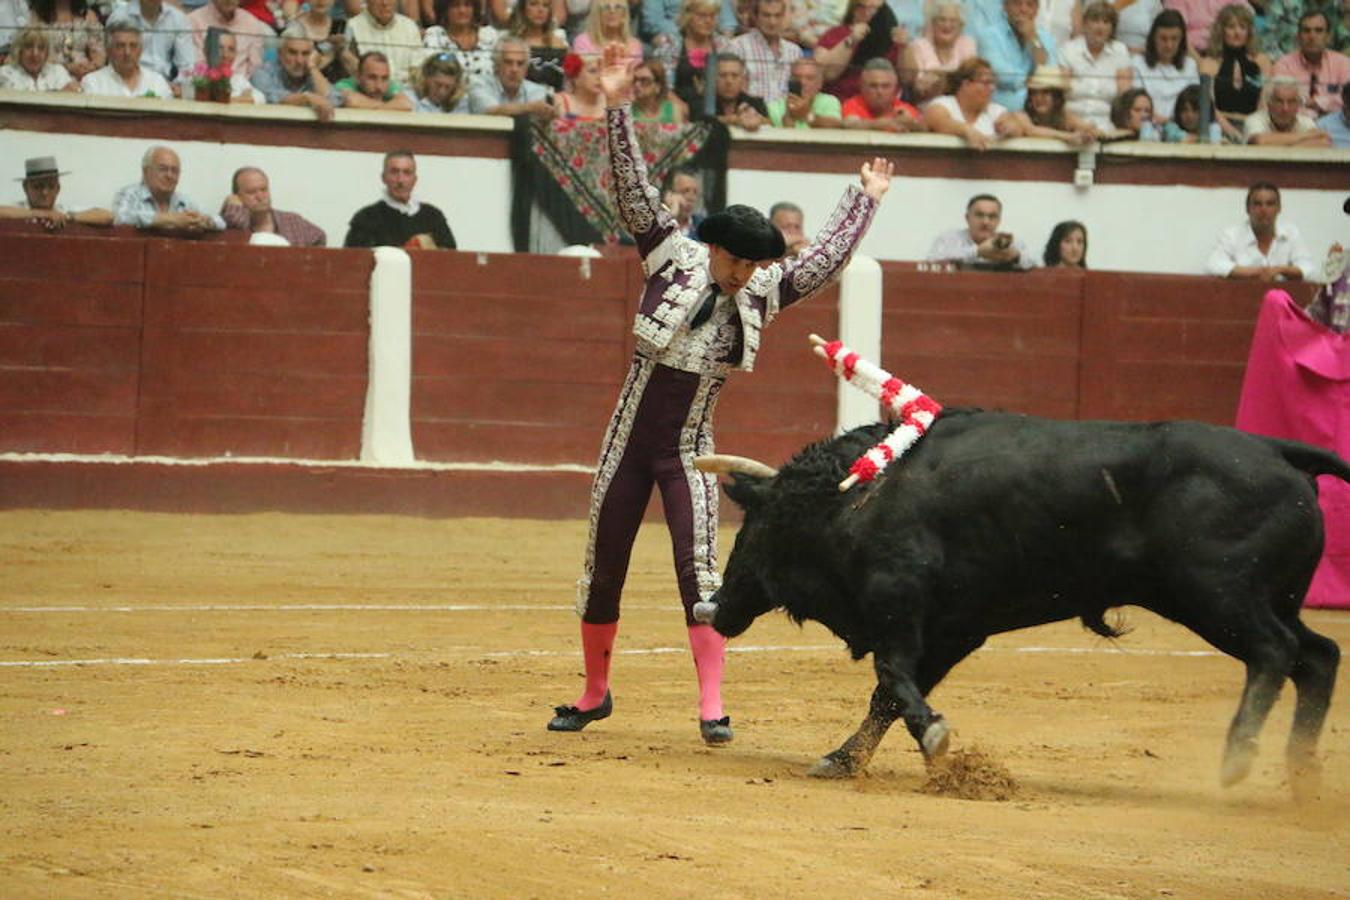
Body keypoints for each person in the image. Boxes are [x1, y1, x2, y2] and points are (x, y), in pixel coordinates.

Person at [549, 43, 893, 744]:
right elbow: (631, 183)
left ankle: (711, 705)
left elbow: (823, 260)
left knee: (701, 573)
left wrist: (862, 201)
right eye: (739, 261)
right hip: (625, 446)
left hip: (690, 452)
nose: (746, 275)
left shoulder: (762, 288)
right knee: (603, 565)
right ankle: (593, 693)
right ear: (713, 248)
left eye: (756, 265)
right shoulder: (667, 254)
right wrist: (617, 102)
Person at [344, 151, 457, 249]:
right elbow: (353, 263)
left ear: (415, 179)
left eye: (407, 173)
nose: (400, 180)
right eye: (394, 172)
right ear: (383, 177)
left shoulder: (434, 217)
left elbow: (451, 260)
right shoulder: (366, 218)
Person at [1206, 182, 1317, 281]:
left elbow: (1308, 268)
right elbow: (1214, 264)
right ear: (1248, 209)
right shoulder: (1232, 235)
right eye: (1257, 204)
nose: (1263, 210)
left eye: (1270, 204)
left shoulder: (1291, 234)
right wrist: (1257, 272)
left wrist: (1280, 270)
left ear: (1279, 208)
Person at [1198, 3, 1272, 142]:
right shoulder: (1209, 63)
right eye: (1231, 27)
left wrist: (1253, 128)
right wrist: (1231, 132)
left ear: (1249, 31)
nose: (1237, 32)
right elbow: (1209, 104)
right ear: (1222, 31)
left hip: (1255, 127)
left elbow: (1265, 102)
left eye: (1242, 27)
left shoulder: (1262, 61)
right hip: (1218, 128)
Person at [111, 146, 225, 233]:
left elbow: (221, 222)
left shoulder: (184, 201)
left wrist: (204, 221)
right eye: (163, 169)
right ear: (146, 172)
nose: (169, 176)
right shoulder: (129, 194)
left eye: (174, 171)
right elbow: (119, 217)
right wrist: (169, 219)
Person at [1058, 1, 1132, 131]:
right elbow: (1059, 97)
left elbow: (1125, 98)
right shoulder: (1068, 50)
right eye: (1095, 21)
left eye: (1106, 22)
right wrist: (1078, 125)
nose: (1100, 27)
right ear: (1085, 24)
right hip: (1070, 125)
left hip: (1107, 127)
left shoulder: (1120, 51)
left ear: (1112, 28)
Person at [973, 0, 1057, 110]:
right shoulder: (989, 36)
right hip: (1001, 112)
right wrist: (1034, 82)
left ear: (1037, 10)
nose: (1023, 9)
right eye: (1017, 3)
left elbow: (1051, 75)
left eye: (1030, 5)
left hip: (1039, 112)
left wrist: (1033, 39)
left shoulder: (1045, 38)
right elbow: (1002, 76)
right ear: (1005, 7)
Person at [923, 56, 1020, 149]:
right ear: (966, 84)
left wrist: (1010, 128)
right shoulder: (943, 104)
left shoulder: (995, 110)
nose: (992, 88)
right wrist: (966, 130)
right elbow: (939, 121)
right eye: (986, 83)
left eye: (993, 83)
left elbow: (1015, 125)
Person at [816, 0, 903, 101]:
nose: (867, 12)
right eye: (862, 7)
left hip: (882, 103)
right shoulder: (835, 34)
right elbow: (827, 73)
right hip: (840, 101)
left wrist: (905, 48)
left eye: (873, 8)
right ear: (854, 9)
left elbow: (908, 78)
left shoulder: (892, 39)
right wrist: (851, 40)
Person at [221, 167, 327, 246]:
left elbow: (319, 237)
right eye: (251, 192)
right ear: (237, 196)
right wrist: (233, 206)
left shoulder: (292, 221)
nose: (260, 197)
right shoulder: (232, 221)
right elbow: (231, 228)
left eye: (264, 190)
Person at [0, 156, 113, 229]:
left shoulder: (63, 210)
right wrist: (43, 214)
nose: (45, 192)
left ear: (58, 189)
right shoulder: (18, 209)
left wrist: (68, 217)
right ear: (25, 188)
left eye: (51, 186)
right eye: (38, 187)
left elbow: (107, 216)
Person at [927, 193, 1034, 269]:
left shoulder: (1011, 242)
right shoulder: (948, 239)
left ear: (999, 220)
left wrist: (1016, 257)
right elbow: (931, 262)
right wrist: (977, 252)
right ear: (967, 218)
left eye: (992, 216)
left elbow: (1033, 264)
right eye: (979, 215)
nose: (985, 222)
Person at [1273, 11, 1350, 117]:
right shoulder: (1284, 64)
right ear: (1298, 36)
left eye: (1318, 31)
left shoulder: (1343, 63)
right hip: (1297, 125)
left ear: (1328, 37)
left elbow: (1347, 100)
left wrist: (1315, 102)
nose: (1312, 36)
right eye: (1306, 31)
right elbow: (1283, 104)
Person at [1131, 9, 1199, 125]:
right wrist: (1167, 124)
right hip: (1148, 127)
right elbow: (1137, 107)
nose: (1169, 45)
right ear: (1153, 38)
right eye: (1163, 39)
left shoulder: (1190, 65)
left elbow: (1196, 104)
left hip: (1183, 129)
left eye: (1174, 39)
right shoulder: (1137, 64)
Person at [901, 0, 976, 104]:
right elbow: (919, 90)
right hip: (927, 107)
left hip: (961, 105)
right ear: (933, 23)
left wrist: (938, 76)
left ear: (961, 26)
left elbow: (970, 80)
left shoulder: (967, 43)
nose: (947, 25)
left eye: (953, 20)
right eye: (942, 20)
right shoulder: (918, 46)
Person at [252, 28, 336, 120]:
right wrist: (307, 98)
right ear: (280, 53)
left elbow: (333, 99)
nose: (299, 60)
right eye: (292, 52)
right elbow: (273, 98)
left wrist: (313, 68)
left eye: (305, 54)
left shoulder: (313, 75)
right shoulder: (263, 73)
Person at [727, 0, 803, 102]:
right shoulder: (738, 47)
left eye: (777, 16)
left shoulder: (794, 52)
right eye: (766, 15)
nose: (772, 22)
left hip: (787, 114)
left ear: (783, 17)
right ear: (756, 17)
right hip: (752, 113)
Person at [106, 0, 196, 83]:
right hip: (127, 82)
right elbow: (114, 61)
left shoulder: (178, 18)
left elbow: (187, 65)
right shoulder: (119, 17)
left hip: (166, 84)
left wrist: (178, 85)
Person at [663, 0, 731, 108]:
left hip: (718, 108)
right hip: (679, 108)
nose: (708, 21)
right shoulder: (672, 43)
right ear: (688, 17)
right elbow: (664, 87)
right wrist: (679, 105)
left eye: (712, 16)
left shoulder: (724, 45)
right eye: (702, 16)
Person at [468, 35, 558, 116]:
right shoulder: (479, 84)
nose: (514, 69)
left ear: (526, 69)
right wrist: (529, 108)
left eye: (520, 64)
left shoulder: (536, 91)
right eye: (508, 63)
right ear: (496, 65)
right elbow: (490, 111)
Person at [81, 22, 175, 98]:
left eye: (133, 46)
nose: (127, 52)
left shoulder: (157, 83)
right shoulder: (93, 83)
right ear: (108, 50)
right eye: (120, 46)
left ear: (140, 50)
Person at [1012, 64, 1097, 143]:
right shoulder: (1021, 116)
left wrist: (1088, 134)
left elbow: (1089, 128)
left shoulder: (1065, 116)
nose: (1038, 98)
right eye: (1034, 93)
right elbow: (1031, 130)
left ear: (1057, 97)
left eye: (1045, 92)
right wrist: (1067, 137)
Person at [188, 0, 270, 81]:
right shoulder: (193, 21)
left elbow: (255, 68)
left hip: (243, 88)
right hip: (203, 87)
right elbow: (194, 67)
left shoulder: (252, 24)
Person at [346, 0, 424, 84]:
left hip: (407, 90)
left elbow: (417, 70)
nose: (385, 3)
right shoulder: (351, 27)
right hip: (367, 92)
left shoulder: (410, 26)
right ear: (366, 1)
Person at [423, 0, 499, 86]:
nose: (462, 10)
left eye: (467, 5)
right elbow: (432, 69)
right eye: (455, 6)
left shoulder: (489, 34)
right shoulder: (435, 35)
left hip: (489, 93)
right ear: (445, 10)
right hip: (449, 95)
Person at [26, 0, 104, 82]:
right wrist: (67, 67)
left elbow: (99, 51)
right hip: (50, 76)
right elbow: (33, 52)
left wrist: (92, 67)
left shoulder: (88, 15)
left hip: (85, 76)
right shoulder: (37, 16)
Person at [841, 57, 925, 131]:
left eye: (885, 86)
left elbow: (923, 128)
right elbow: (849, 123)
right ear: (862, 87)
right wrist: (877, 124)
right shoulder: (853, 104)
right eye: (873, 86)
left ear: (895, 89)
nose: (879, 91)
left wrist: (912, 124)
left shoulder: (903, 109)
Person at [1244, 76, 1334, 145]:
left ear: (1298, 104)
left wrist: (1276, 143)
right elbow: (1260, 141)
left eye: (1291, 102)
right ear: (1269, 104)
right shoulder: (1255, 119)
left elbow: (1323, 143)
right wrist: (1307, 136)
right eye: (1279, 101)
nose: (1285, 108)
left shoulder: (1305, 121)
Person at [505, 0, 569, 89]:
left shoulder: (560, 44)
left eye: (545, 5)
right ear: (523, 8)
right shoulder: (510, 43)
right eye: (533, 4)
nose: (540, 10)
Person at [766, 56, 842, 127]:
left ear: (820, 83)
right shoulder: (774, 107)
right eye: (797, 77)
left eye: (810, 78)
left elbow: (836, 126)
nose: (802, 82)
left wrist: (806, 115)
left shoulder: (829, 101)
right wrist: (788, 118)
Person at [0, 26, 77, 91]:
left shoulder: (58, 72)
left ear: (46, 54)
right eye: (29, 47)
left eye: (41, 48)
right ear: (19, 51)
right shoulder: (4, 74)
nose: (35, 54)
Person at [705, 52, 769, 129]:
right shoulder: (702, 103)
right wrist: (733, 120)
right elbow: (700, 121)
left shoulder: (755, 103)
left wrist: (758, 119)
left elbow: (770, 124)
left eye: (734, 76)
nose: (729, 81)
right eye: (723, 75)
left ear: (742, 79)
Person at [572, 0, 643, 63]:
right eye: (606, 7)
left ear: (624, 15)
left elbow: (637, 75)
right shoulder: (583, 42)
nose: (612, 11)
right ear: (598, 14)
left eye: (618, 7)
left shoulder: (634, 45)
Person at [631, 57, 687, 122]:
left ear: (658, 86)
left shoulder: (673, 110)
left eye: (644, 80)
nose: (637, 85)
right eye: (635, 80)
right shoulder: (626, 112)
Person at [1162, 0, 1231, 52]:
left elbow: (1239, 18)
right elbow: (1175, 34)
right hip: (1193, 52)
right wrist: (1199, 61)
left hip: (1229, 46)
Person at [555, 50, 606, 117]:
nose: (600, 77)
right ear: (575, 76)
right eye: (592, 71)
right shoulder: (559, 101)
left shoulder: (613, 102)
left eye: (603, 71)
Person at [662, 166, 705, 237]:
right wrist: (672, 215)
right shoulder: (656, 226)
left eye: (695, 192)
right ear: (669, 195)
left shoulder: (702, 226)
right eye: (685, 191)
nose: (691, 198)